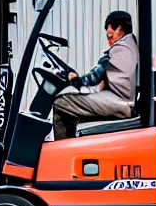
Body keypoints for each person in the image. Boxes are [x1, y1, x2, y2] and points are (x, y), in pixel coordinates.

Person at [52, 10, 139, 139]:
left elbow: (94, 77)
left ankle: (61, 151)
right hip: (125, 99)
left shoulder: (119, 50)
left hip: (120, 101)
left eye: (110, 36)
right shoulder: (131, 46)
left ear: (120, 29)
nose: (109, 42)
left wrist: (77, 80)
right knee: (79, 102)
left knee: (60, 103)